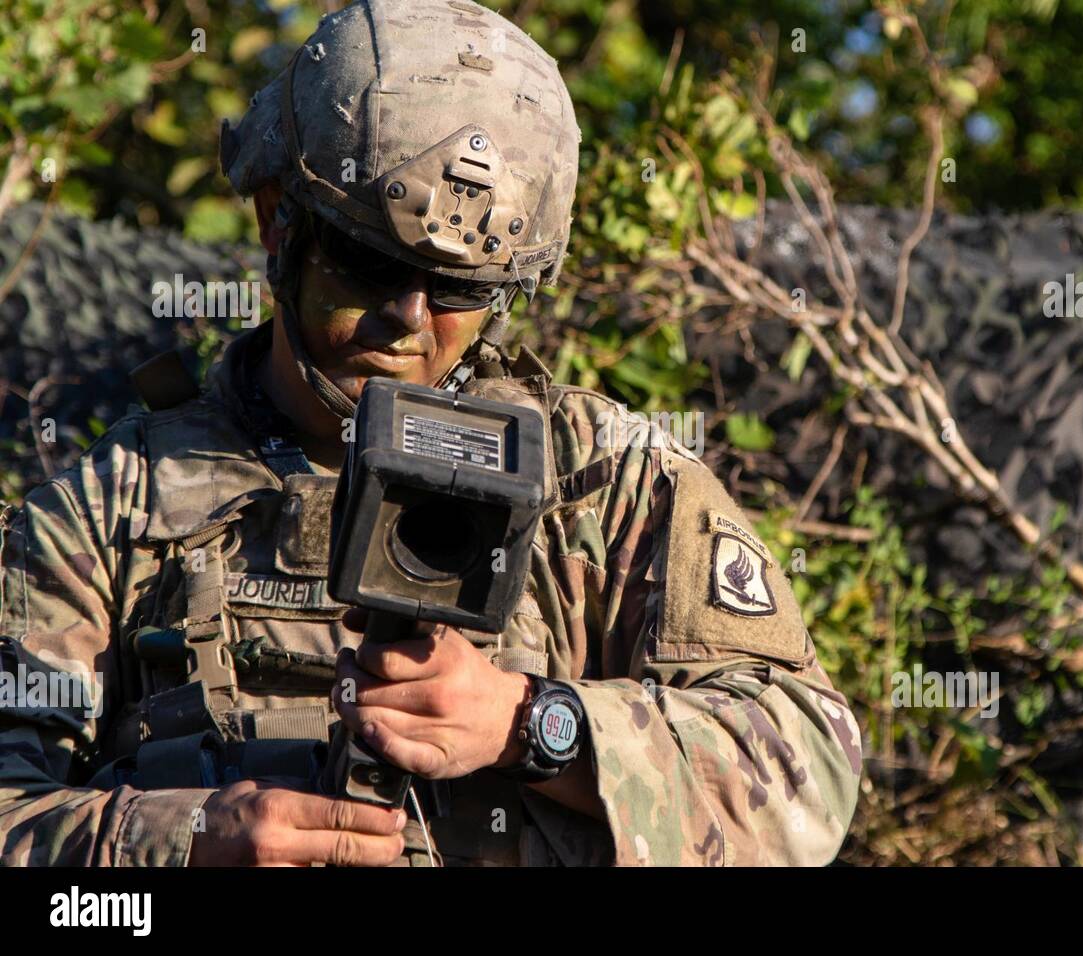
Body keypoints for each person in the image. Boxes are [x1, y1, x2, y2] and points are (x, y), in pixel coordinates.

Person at [0, 0, 861, 866]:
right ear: (275, 223)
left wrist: (534, 723)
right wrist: (178, 840)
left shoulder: (605, 481)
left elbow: (808, 769)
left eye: (458, 290)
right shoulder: (114, 508)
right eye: (367, 265)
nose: (408, 321)